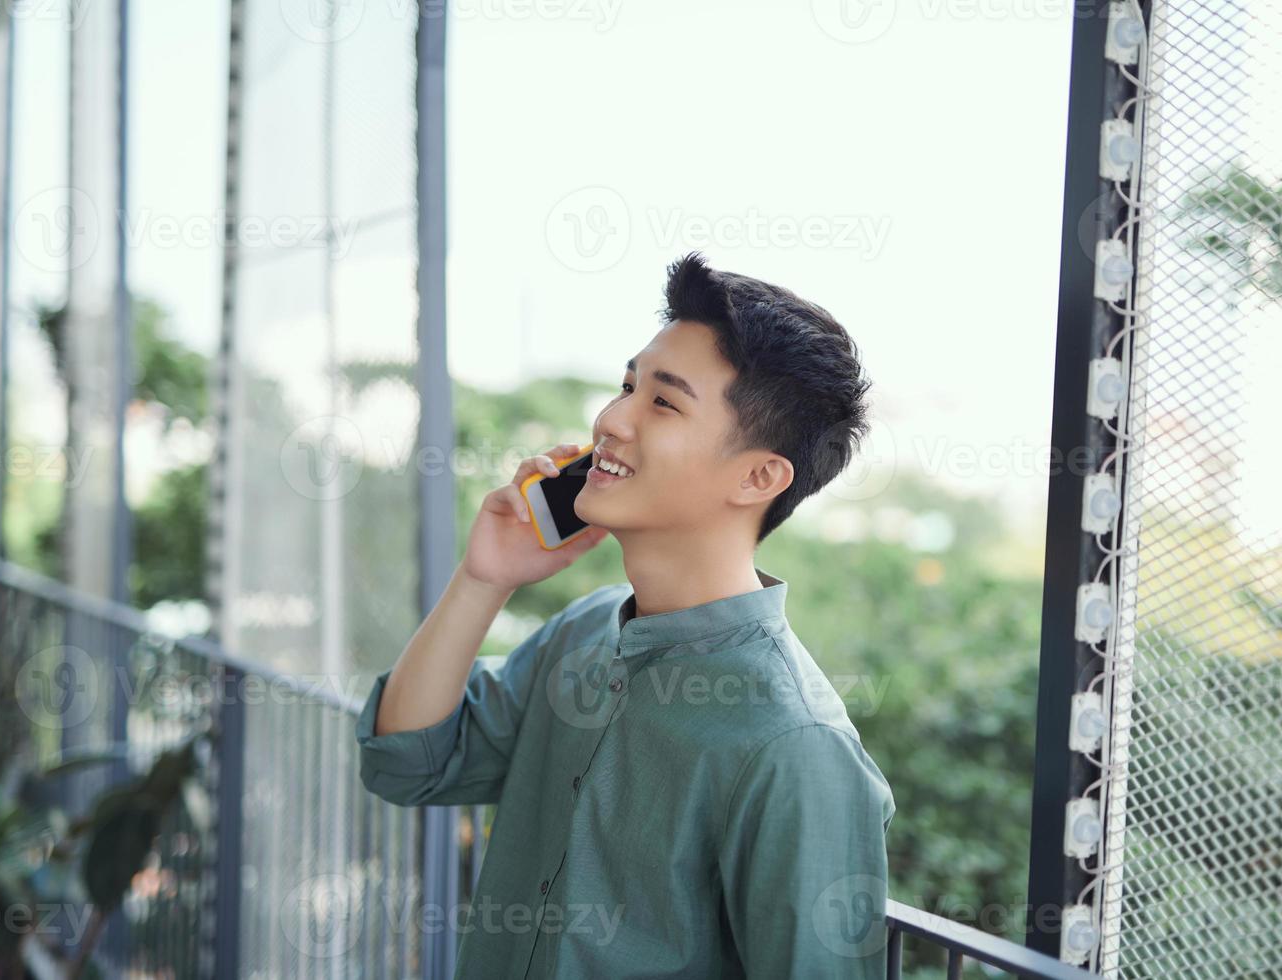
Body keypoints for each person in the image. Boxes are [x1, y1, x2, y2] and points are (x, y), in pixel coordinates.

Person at [356, 251, 896, 978]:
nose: (610, 419)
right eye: (626, 386)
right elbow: (408, 764)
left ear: (759, 475)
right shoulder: (583, 631)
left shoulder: (794, 744)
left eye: (662, 402)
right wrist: (484, 580)